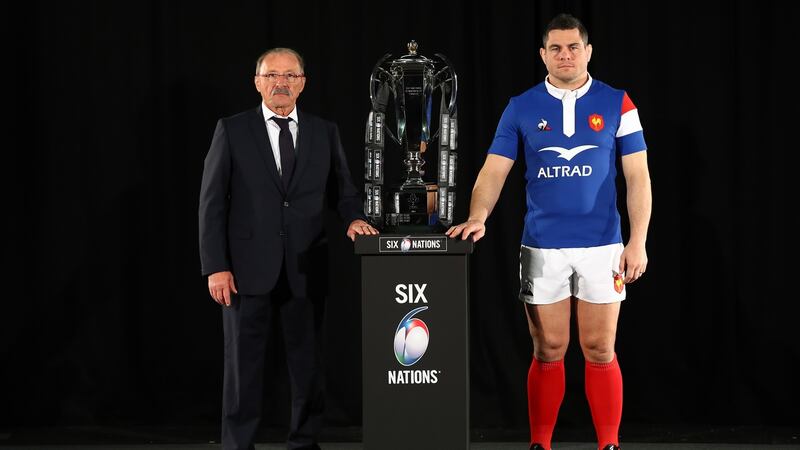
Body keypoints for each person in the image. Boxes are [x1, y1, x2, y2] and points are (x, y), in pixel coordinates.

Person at [446, 13, 651, 450]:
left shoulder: (619, 102)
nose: (565, 55)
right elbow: (493, 171)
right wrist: (478, 214)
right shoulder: (520, 106)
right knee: (549, 348)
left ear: (588, 51)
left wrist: (638, 242)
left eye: (573, 47)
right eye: (555, 48)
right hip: (542, 248)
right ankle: (540, 444)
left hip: (603, 247)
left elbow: (638, 178)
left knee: (599, 347)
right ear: (543, 54)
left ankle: (609, 444)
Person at [198, 47, 378, 450]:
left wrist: (352, 218)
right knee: (242, 368)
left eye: (290, 76)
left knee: (308, 366)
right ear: (257, 82)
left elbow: (343, 191)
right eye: (272, 75)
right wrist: (216, 266)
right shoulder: (232, 129)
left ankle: (304, 442)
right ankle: (237, 444)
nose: (281, 82)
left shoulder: (323, 131)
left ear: (303, 83)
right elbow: (211, 205)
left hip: (306, 268)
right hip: (244, 271)